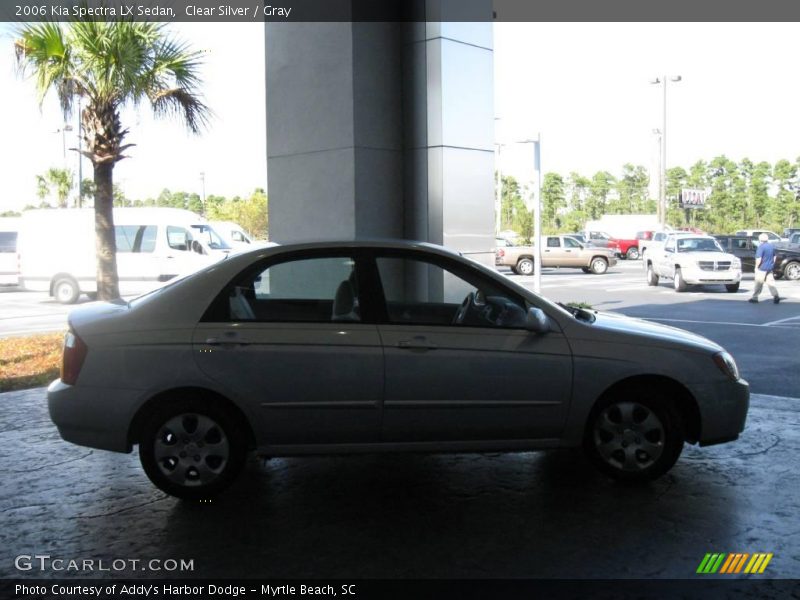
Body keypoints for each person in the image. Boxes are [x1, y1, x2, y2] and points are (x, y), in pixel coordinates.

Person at [749, 233, 780, 304]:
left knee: (758, 283)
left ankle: (755, 297)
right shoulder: (771, 246)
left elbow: (759, 258)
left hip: (762, 268)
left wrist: (756, 267)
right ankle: (776, 295)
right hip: (769, 268)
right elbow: (774, 256)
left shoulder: (761, 247)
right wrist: (772, 264)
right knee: (771, 283)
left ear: (760, 239)